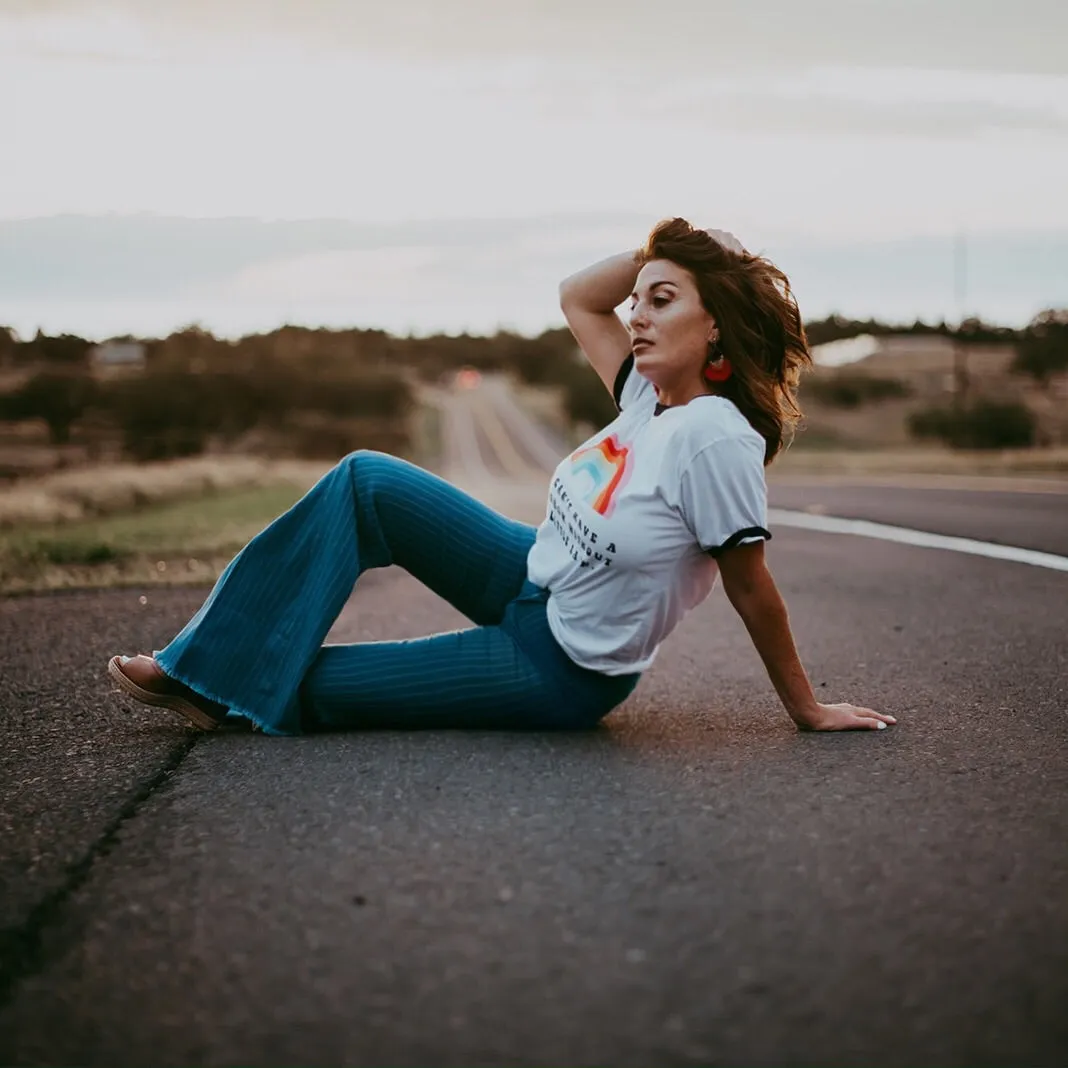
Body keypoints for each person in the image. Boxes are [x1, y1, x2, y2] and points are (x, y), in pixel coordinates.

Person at [109, 218, 896, 735]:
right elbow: (576, 297)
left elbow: (750, 583)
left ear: (716, 323)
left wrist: (807, 708)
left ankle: (223, 690)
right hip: (527, 569)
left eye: (663, 300)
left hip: (559, 665)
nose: (636, 315)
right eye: (640, 300)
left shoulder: (715, 439)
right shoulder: (644, 395)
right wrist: (668, 244)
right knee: (365, 480)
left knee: (308, 688)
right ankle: (203, 667)